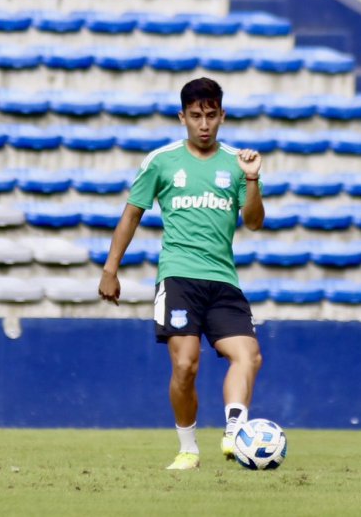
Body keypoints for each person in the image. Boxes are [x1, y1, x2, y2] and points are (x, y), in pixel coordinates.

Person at [98, 77, 266, 470]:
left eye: (211, 116)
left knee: (249, 356)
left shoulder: (237, 164)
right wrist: (110, 269)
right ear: (182, 117)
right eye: (195, 116)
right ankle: (188, 447)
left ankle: (234, 431)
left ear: (222, 116)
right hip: (178, 278)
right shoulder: (162, 161)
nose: (204, 124)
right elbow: (132, 214)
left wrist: (254, 178)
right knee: (186, 366)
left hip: (223, 280)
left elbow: (254, 222)